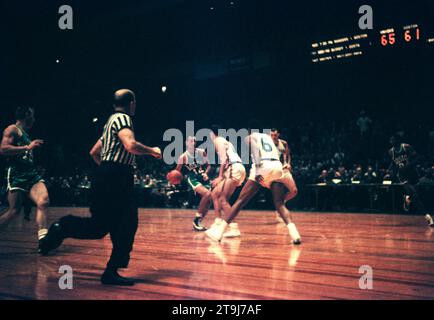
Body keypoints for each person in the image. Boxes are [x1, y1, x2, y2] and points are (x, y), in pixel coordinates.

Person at [40, 89, 162, 285]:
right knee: (127, 222)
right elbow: (130, 145)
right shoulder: (123, 119)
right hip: (117, 179)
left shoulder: (109, 123)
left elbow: (94, 152)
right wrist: (152, 151)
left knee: (100, 227)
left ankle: (61, 227)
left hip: (106, 176)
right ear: (132, 103)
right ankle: (111, 271)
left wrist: (107, 169)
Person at [206, 124, 301, 244]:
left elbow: (255, 150)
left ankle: (219, 232)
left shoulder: (249, 137)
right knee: (279, 203)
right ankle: (295, 234)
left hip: (262, 166)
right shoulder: (268, 137)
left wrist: (257, 169)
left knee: (240, 201)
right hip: (277, 167)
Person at [0, 106, 50, 251]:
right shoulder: (12, 129)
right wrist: (27, 147)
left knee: (44, 200)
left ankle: (43, 241)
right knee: (14, 211)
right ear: (26, 115)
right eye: (32, 116)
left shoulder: (26, 135)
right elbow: (3, 149)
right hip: (17, 174)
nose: (34, 119)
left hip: (31, 174)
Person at [207, 125, 246, 238]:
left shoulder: (218, 140)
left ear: (212, 134)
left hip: (234, 168)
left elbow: (224, 159)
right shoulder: (226, 142)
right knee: (215, 193)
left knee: (223, 199)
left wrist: (220, 177)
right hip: (236, 168)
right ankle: (218, 221)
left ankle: (234, 227)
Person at [388, 135, 433, 227]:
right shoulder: (391, 152)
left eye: (393, 139)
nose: (392, 141)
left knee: (417, 194)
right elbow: (394, 163)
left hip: (412, 173)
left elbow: (418, 158)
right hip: (402, 176)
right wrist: (390, 170)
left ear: (398, 140)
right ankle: (428, 217)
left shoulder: (406, 147)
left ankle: (407, 198)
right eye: (390, 140)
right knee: (415, 195)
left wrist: (409, 165)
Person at [175, 136, 212, 231]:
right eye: (191, 141)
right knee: (207, 194)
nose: (193, 143)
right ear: (186, 143)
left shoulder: (201, 152)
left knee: (210, 198)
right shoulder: (183, 157)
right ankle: (196, 220)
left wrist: (206, 173)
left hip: (202, 177)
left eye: (195, 141)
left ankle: (198, 221)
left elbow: (209, 165)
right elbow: (176, 172)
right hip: (193, 178)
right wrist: (176, 179)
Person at [270, 128, 298, 222]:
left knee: (294, 191)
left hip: (284, 170)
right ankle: (279, 210)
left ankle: (282, 203)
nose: (273, 137)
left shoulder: (284, 143)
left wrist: (288, 163)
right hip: (274, 171)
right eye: (272, 135)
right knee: (278, 193)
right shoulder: (267, 145)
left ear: (278, 135)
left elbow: (288, 154)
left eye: (275, 135)